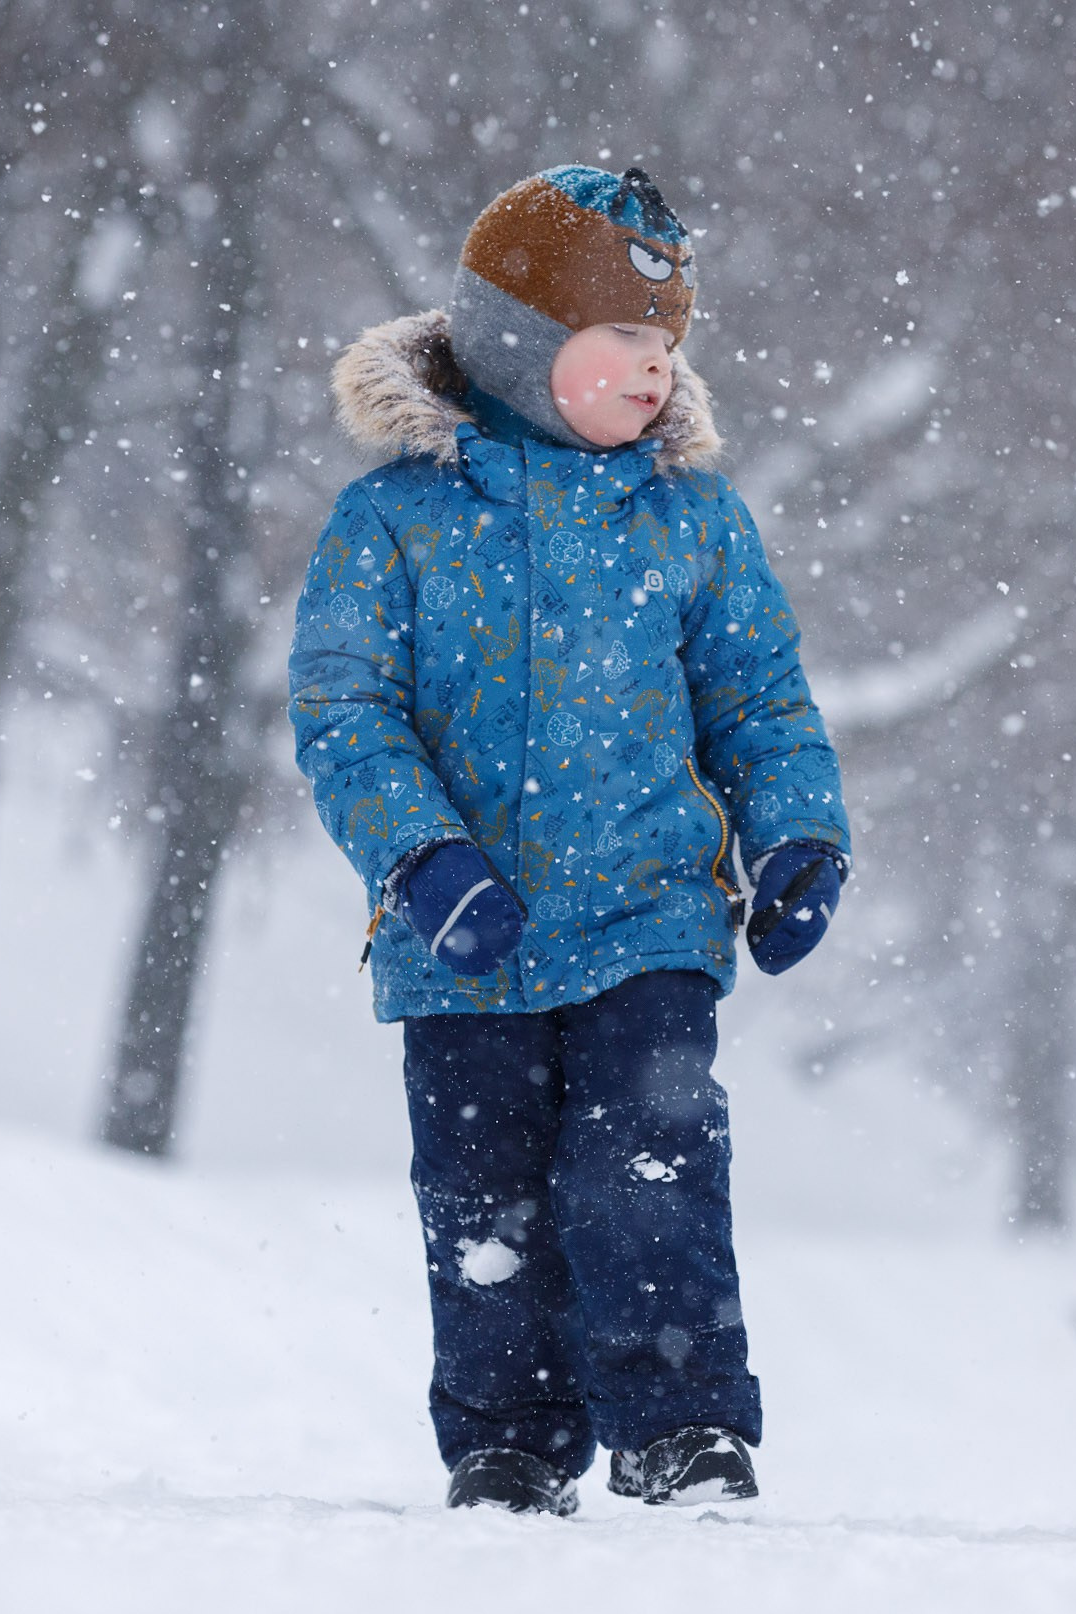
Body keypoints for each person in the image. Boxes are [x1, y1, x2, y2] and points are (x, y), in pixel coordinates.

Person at [288, 164, 850, 1515]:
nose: (657, 372)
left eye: (668, 346)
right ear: (524, 348)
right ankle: (509, 1438)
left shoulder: (693, 520)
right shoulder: (395, 521)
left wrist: (795, 840)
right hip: (465, 935)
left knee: (648, 1166)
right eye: (625, 343)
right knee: (486, 1197)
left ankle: (679, 1427)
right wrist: (421, 858)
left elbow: (758, 699)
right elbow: (342, 709)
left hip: (650, 919)